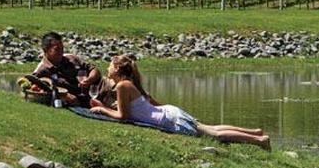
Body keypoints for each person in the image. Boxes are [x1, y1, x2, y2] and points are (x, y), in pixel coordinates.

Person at [90, 55, 271, 150]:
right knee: (211, 128)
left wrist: (102, 109)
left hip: (168, 119)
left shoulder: (122, 86)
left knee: (215, 135)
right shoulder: (127, 84)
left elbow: (123, 116)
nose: (107, 68)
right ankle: (254, 132)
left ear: (117, 68)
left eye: (110, 65)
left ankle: (259, 140)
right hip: (168, 113)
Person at [30, 32, 111, 108]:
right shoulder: (42, 70)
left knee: (119, 86)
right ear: (46, 50)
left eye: (62, 48)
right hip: (87, 101)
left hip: (103, 89)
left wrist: (89, 80)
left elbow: (94, 70)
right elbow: (36, 86)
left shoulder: (72, 58)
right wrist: (64, 95)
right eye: (57, 49)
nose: (61, 51)